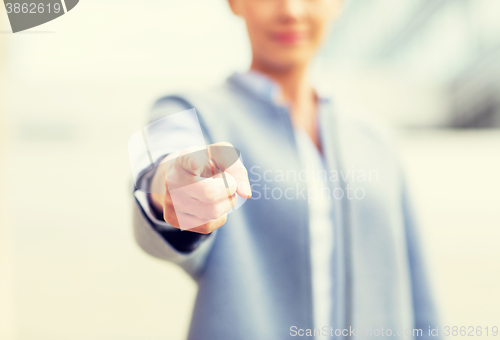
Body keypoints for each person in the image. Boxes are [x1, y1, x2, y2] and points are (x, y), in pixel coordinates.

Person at [131, 0, 440, 339]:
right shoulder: (185, 110)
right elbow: (162, 164)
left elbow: (418, 295)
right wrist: (171, 187)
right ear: (235, 4)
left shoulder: (375, 139)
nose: (291, 10)